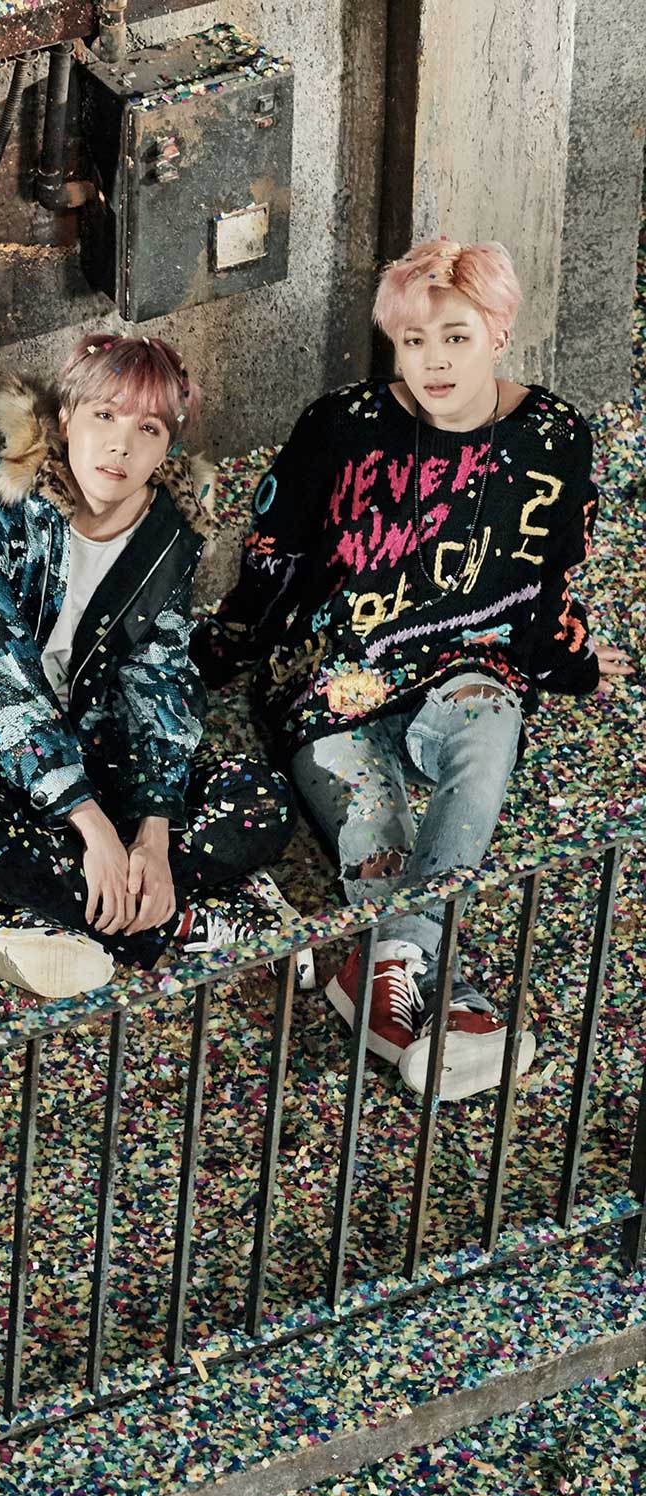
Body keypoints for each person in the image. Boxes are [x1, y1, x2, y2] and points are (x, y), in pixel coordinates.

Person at [199, 239, 631, 1099]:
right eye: (413, 340)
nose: (434, 361)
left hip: (466, 664)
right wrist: (224, 649)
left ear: (500, 333)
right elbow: (273, 553)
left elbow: (548, 581)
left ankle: (387, 959)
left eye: (456, 337)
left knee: (491, 733)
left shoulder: (553, 438)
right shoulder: (342, 424)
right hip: (333, 672)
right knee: (375, 824)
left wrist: (572, 658)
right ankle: (451, 997)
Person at [0, 332, 300, 998]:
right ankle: (178, 922)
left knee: (264, 799)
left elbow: (159, 680)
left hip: (97, 746)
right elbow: (2, 688)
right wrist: (96, 830)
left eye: (148, 428)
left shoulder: (168, 529)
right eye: (104, 415)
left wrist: (154, 833)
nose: (120, 445)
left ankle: (67, 909)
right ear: (63, 419)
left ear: (167, 448)